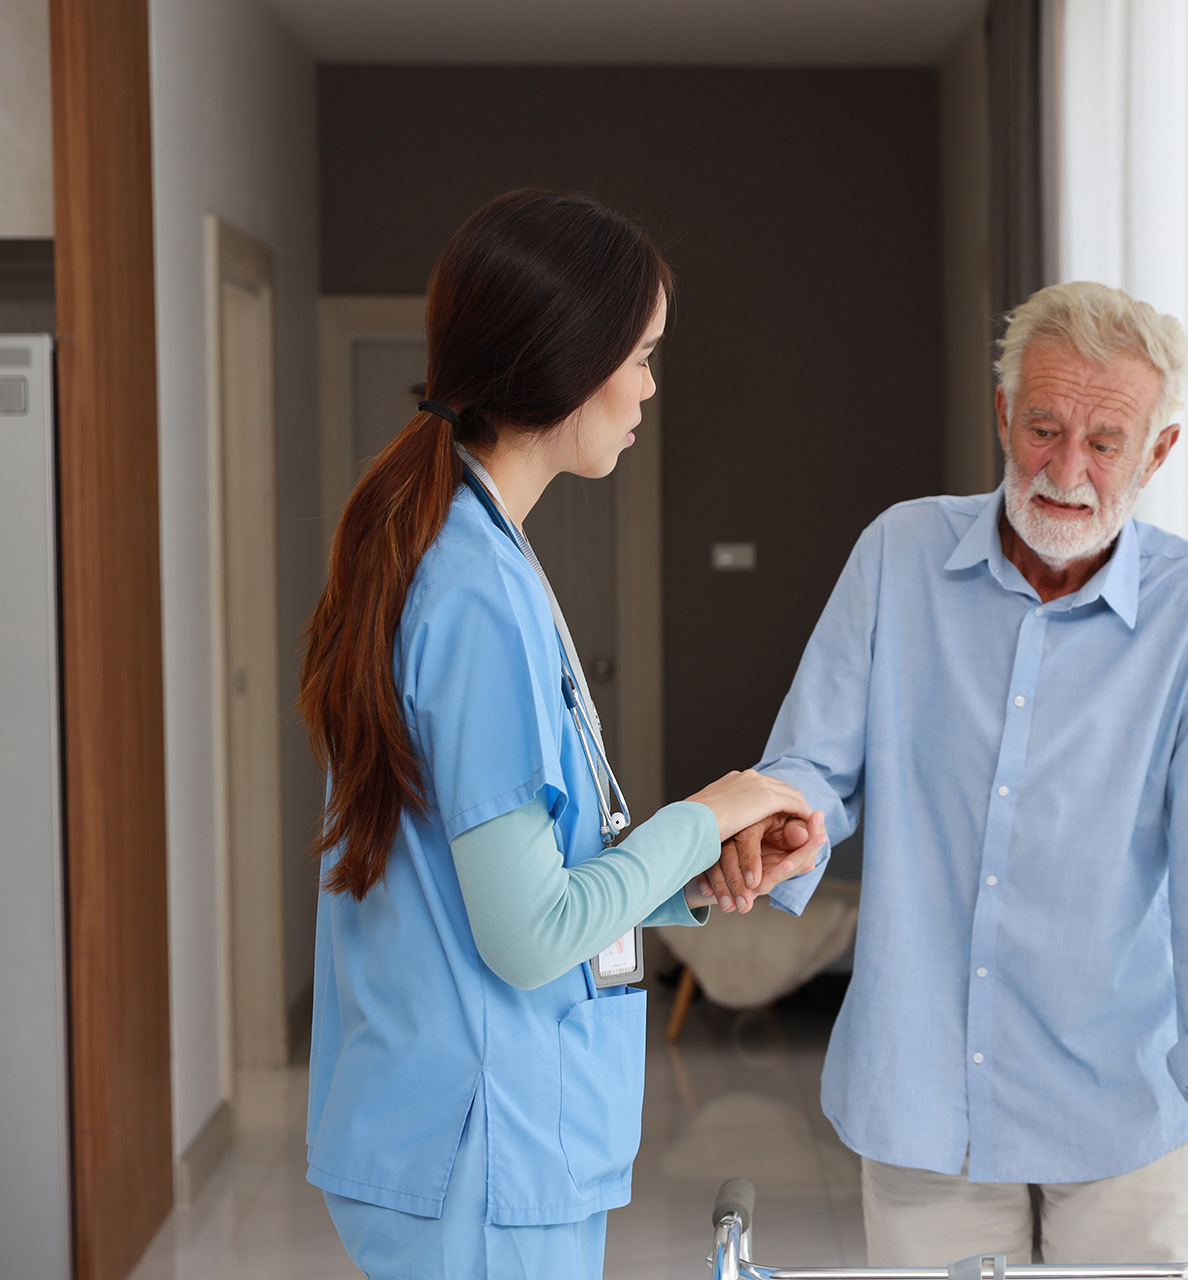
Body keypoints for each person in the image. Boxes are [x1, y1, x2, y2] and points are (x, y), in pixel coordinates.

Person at [297, 189, 823, 1280]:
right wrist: (709, 809)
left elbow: (507, 872)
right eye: (638, 355)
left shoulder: (471, 552)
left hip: (471, 1132)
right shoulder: (475, 589)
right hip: (484, 1147)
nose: (648, 387)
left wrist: (695, 874)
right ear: (565, 357)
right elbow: (532, 934)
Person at [714, 281, 1188, 1265]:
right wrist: (782, 822)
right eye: (1042, 427)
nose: (1066, 468)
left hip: (1121, 1108)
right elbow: (812, 761)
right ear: (1001, 414)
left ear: (1157, 452)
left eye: (1105, 441)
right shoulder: (897, 554)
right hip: (923, 1097)